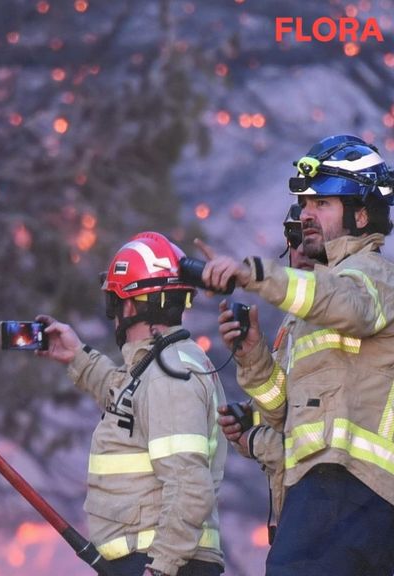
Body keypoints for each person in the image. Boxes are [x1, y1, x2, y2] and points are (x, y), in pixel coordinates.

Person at [197, 134, 394, 575]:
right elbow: (283, 411)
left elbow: (346, 304)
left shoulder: (375, 278)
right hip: (320, 487)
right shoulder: (309, 310)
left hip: (353, 485)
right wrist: (252, 356)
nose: (305, 214)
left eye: (321, 203)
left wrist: (255, 274)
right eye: (304, 203)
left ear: (361, 214)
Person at [38, 231, 226, 576]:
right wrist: (77, 357)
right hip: (151, 561)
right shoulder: (160, 367)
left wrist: (160, 568)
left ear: (127, 304)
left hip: (163, 563)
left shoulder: (170, 375)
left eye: (112, 300)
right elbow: (129, 403)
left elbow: (189, 485)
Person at [215, 203, 314, 545]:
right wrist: (252, 355)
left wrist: (257, 441)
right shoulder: (295, 323)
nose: (300, 250)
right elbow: (285, 408)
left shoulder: (348, 318)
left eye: (310, 237)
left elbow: (322, 442)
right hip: (299, 513)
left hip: (339, 517)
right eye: (293, 237)